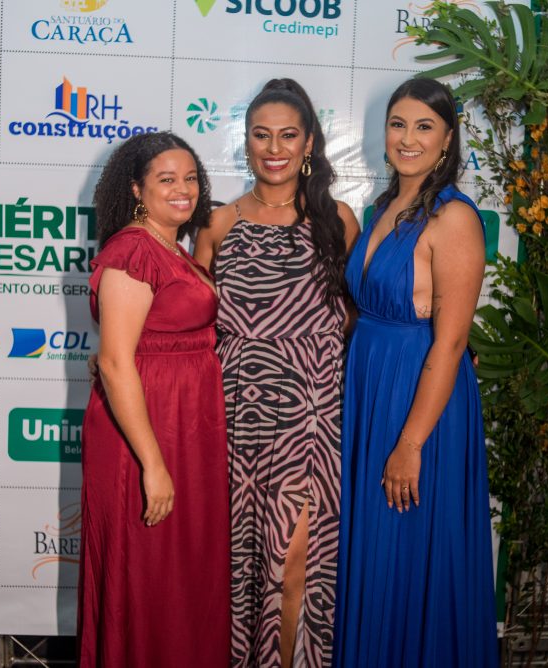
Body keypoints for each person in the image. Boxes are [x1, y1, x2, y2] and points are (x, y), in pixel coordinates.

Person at [333, 78, 499, 666]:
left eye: (424, 126)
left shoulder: (454, 218)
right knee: (375, 546)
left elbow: (451, 344)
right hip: (371, 388)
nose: (408, 138)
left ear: (448, 139)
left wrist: (410, 444)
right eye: (398, 124)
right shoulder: (384, 208)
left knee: (408, 546)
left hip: (418, 402)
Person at [194, 79, 359, 668]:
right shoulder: (217, 223)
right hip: (237, 419)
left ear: (309, 142)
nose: (274, 148)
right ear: (245, 141)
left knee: (296, 567)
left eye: (288, 135)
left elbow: (359, 318)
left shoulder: (337, 220)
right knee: (239, 571)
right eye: (261, 135)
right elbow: (191, 322)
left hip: (310, 423)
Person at [77, 131, 230, 667]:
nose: (183, 189)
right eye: (166, 180)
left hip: (184, 428)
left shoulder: (170, 247)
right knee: (146, 574)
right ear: (137, 189)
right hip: (146, 437)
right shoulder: (132, 251)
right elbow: (116, 363)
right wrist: (153, 464)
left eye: (190, 178)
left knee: (179, 574)